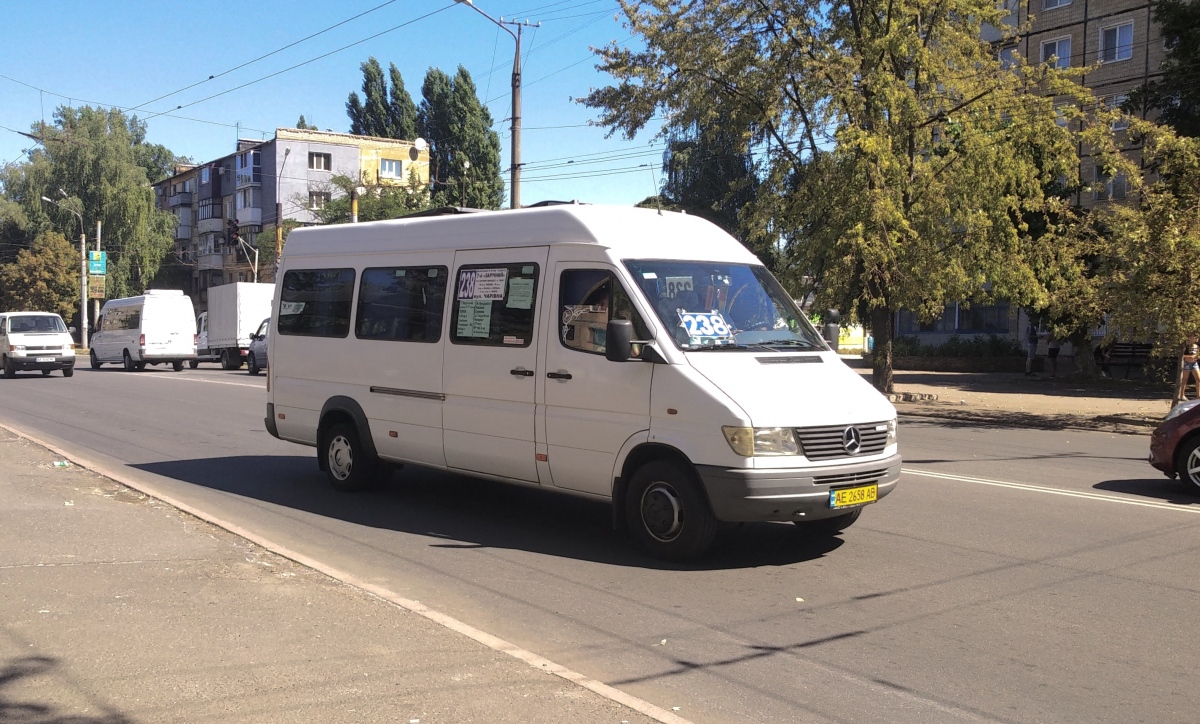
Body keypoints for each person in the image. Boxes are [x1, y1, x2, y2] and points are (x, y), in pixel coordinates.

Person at [1179, 334, 1200, 401]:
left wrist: (1196, 357)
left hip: (1194, 364)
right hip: (1187, 364)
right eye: (1195, 337)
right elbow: (1182, 356)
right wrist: (1190, 357)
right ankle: (1182, 395)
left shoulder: (1197, 347)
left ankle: (1198, 396)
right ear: (1190, 338)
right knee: (1185, 379)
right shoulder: (1186, 346)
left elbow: (1198, 355)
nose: (1196, 338)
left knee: (1198, 379)